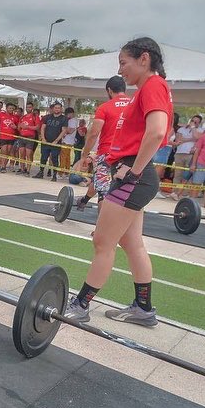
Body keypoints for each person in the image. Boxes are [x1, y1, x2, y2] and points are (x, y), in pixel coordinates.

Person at [63, 37, 173, 326]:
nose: (121, 70)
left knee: (102, 241)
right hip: (133, 173)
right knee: (132, 242)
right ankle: (143, 308)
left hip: (134, 175)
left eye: (124, 63)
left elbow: (157, 131)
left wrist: (134, 171)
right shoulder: (147, 89)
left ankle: (81, 304)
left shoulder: (153, 86)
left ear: (144, 59)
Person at [73, 76, 130, 211]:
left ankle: (101, 230)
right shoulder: (135, 104)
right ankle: (84, 200)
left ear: (109, 90)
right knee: (112, 186)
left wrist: (84, 155)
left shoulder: (105, 107)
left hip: (108, 154)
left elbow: (93, 133)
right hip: (129, 156)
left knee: (103, 192)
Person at [170, 114, 203, 199]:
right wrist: (192, 139)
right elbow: (178, 140)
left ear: (199, 123)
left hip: (191, 155)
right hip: (180, 153)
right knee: (178, 174)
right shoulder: (182, 129)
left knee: (187, 175)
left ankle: (183, 193)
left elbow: (197, 137)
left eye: (196, 122)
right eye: (192, 121)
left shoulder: (200, 130)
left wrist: (193, 129)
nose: (193, 123)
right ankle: (174, 191)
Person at [34, 102, 68, 181]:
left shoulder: (64, 118)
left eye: (58, 108)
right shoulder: (47, 117)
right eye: (55, 108)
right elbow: (43, 128)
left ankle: (54, 175)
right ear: (53, 108)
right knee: (43, 157)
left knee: (54, 159)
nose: (57, 109)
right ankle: (41, 172)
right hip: (46, 141)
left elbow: (64, 130)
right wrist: (43, 138)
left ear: (61, 109)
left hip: (56, 143)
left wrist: (56, 140)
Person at [0, 103, 19, 173]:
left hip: (11, 137)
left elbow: (18, 127)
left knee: (8, 152)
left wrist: (15, 127)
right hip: (3, 137)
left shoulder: (15, 117)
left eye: (12, 108)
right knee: (3, 151)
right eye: (10, 108)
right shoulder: (1, 114)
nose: (11, 110)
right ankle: (2, 165)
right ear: (6, 108)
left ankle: (4, 166)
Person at [16, 102, 38, 174]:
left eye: (30, 107)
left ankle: (28, 170)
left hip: (30, 137)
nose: (28, 108)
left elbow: (37, 127)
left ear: (32, 108)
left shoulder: (35, 116)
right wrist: (19, 127)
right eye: (27, 107)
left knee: (29, 154)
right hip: (22, 137)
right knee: (21, 154)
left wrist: (27, 127)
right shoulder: (23, 117)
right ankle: (22, 169)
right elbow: (19, 127)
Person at [59, 107, 79, 172]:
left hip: (67, 141)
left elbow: (70, 131)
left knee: (63, 157)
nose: (66, 116)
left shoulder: (73, 121)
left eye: (67, 114)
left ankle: (61, 172)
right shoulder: (71, 120)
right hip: (67, 141)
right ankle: (66, 172)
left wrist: (63, 129)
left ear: (71, 113)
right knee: (67, 157)